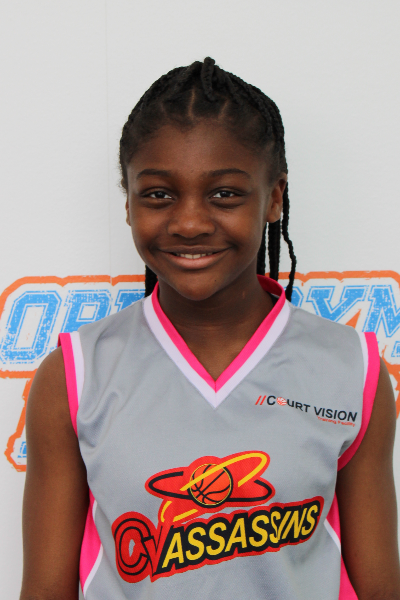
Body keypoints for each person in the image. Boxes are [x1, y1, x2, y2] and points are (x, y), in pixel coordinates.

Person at [20, 58, 400, 600]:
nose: (190, 222)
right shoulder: (75, 376)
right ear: (128, 202)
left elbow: (380, 586)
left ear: (273, 197)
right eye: (159, 194)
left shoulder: (351, 369)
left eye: (224, 194)